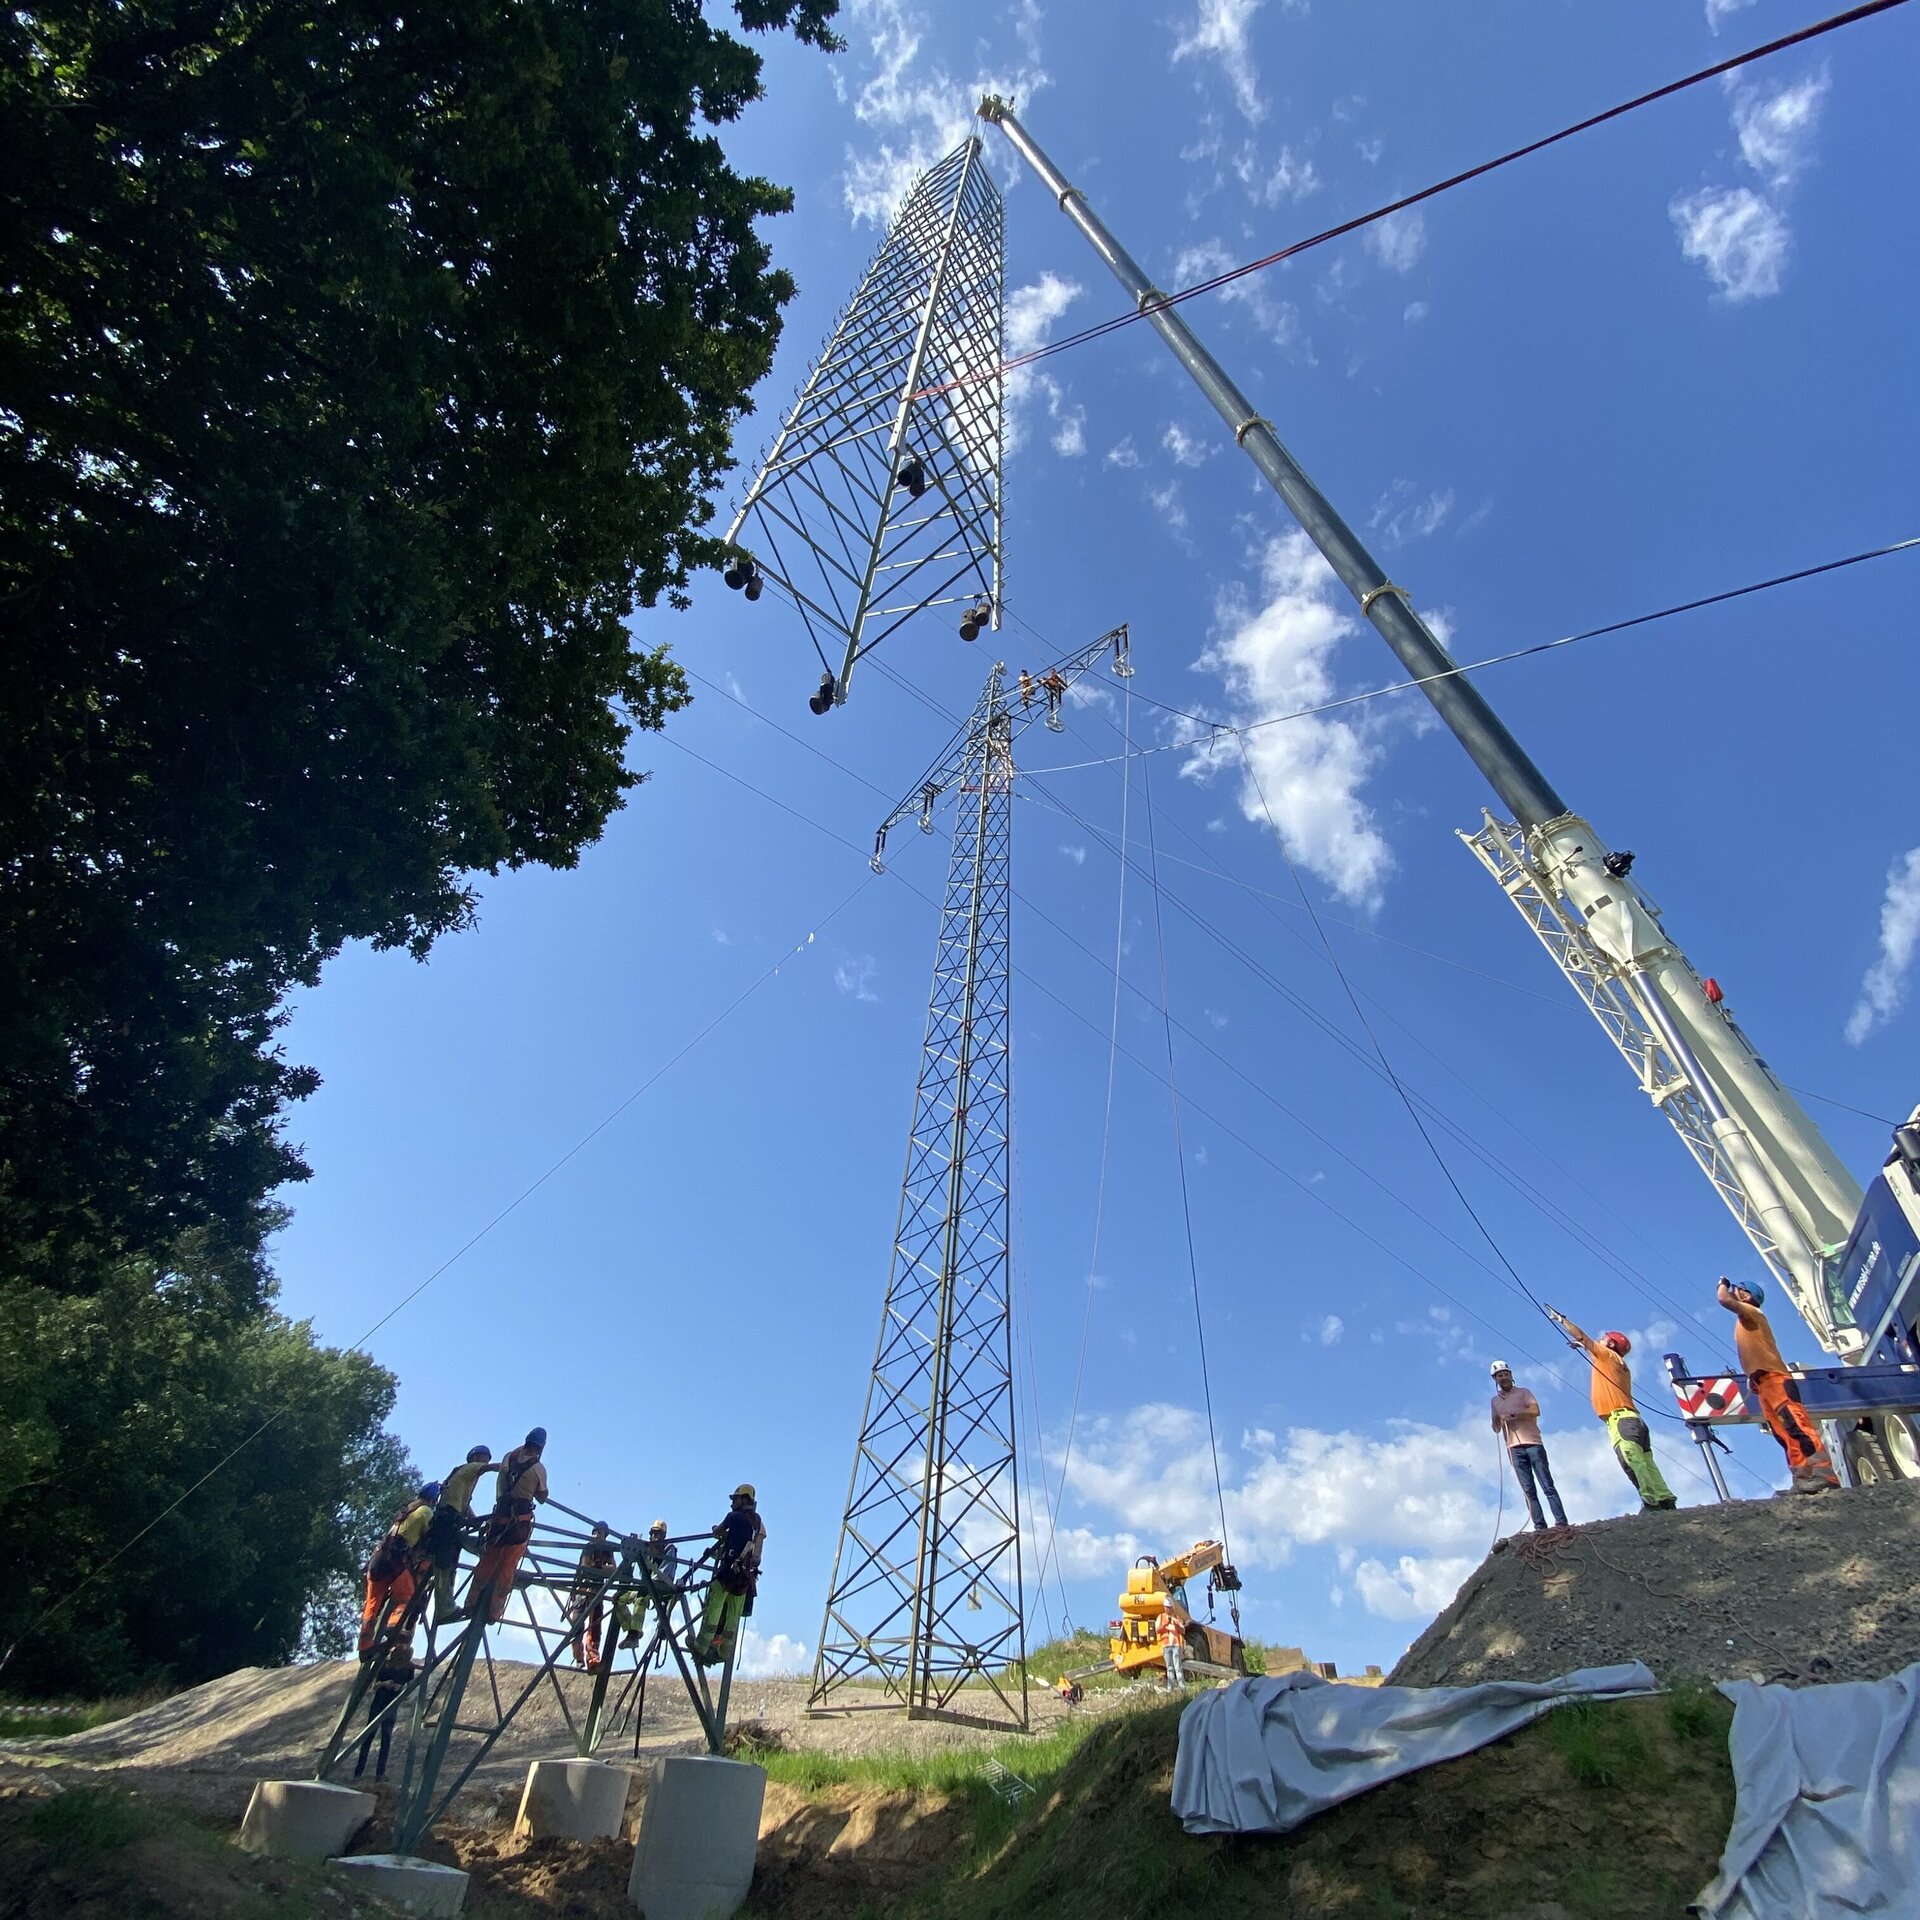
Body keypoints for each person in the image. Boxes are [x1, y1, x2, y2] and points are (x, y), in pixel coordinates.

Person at [1718, 1278, 1841, 1494]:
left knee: (1797, 1426)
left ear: (1746, 1295)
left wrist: (1722, 1284)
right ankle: (1803, 1478)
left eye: (1737, 1289)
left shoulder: (1752, 1312)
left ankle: (1824, 1474)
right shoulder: (1746, 1319)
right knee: (1783, 1434)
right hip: (1764, 1384)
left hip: (1776, 1380)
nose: (1733, 1291)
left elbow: (1724, 1299)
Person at [1548, 1309, 1678, 1511]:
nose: (1600, 1339)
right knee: (1646, 1462)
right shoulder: (1613, 1361)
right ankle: (1665, 1499)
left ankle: (1651, 1502)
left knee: (1631, 1461)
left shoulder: (1608, 1356)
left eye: (1604, 1338)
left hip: (1621, 1420)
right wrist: (1583, 1346)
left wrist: (1561, 1319)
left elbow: (1582, 1336)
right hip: (1633, 1420)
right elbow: (1590, 1348)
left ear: (1610, 1345)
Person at [469, 1427, 549, 1624]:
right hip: (518, 1526)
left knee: (487, 1562)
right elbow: (542, 1497)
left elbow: (511, 1463)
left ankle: (471, 1603)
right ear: (541, 1448)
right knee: (507, 1569)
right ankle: (493, 1612)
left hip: (498, 1520)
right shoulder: (538, 1468)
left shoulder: (508, 1458)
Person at [359, 1481, 439, 1659]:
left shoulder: (406, 1511)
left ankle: (365, 1647)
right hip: (395, 1560)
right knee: (408, 1596)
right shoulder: (426, 1511)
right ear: (433, 1500)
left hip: (377, 1559)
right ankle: (394, 1626)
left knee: (372, 1604)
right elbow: (431, 1538)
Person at [689, 1484, 764, 1667]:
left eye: (735, 1499)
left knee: (713, 1611)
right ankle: (723, 1653)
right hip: (744, 1579)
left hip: (727, 1574)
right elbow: (756, 1553)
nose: (732, 1503)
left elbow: (718, 1532)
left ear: (744, 1499)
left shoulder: (733, 1517)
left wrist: (716, 1529)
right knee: (733, 1617)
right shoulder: (757, 1522)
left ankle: (700, 1648)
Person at [1489, 1359, 1569, 1530]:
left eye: (1505, 1374)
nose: (1503, 1378)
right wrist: (1497, 1420)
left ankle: (1561, 1522)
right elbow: (1495, 1428)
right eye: (1499, 1376)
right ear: (1495, 1379)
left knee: (1547, 1485)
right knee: (1528, 1489)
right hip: (1513, 1448)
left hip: (1533, 1443)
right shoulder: (1494, 1401)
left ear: (1511, 1375)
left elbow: (1535, 1410)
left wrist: (1513, 1415)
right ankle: (1540, 1526)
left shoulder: (1524, 1392)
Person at [426, 1444, 493, 1624]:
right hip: (447, 1522)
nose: (485, 1464)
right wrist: (514, 1466)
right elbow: (491, 1468)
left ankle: (488, 1554)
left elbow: (465, 1507)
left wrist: (476, 1522)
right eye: (484, 1460)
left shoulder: (461, 1480)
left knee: (452, 1559)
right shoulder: (468, 1469)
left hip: (451, 1521)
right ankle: (445, 1609)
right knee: (444, 1565)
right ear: (475, 1458)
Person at [353, 1638, 414, 1781]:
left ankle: (380, 1773)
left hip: (392, 1704)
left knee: (386, 1739)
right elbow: (373, 1686)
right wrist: (384, 1683)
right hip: (379, 1702)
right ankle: (358, 1771)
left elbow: (410, 1687)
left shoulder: (409, 1667)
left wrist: (400, 1688)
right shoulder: (385, 1664)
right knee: (368, 1736)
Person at [569, 1522, 617, 1672]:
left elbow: (613, 1569)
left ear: (605, 1535)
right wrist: (601, 1569)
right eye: (594, 1532)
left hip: (597, 1591)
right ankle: (578, 1658)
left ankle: (593, 1659)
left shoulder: (607, 1550)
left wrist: (598, 1568)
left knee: (595, 1627)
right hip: (582, 1590)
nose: (595, 1535)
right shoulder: (588, 1547)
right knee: (577, 1625)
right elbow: (584, 1568)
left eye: (599, 1533)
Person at [1157, 1598, 1188, 1693]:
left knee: (1178, 1667)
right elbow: (1157, 1630)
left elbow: (1183, 1631)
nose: (1168, 1609)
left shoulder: (1176, 1618)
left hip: (1176, 1645)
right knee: (1169, 1668)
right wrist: (1165, 1624)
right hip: (1166, 1645)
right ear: (1164, 1607)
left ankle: (1182, 1688)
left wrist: (1176, 1624)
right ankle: (1170, 1689)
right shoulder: (1161, 1617)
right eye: (1167, 1607)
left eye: (1170, 1607)